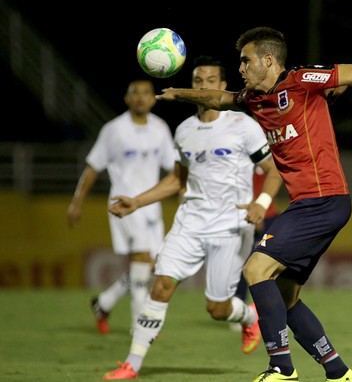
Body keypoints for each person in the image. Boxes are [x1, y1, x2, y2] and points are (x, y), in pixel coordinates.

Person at [155, 26, 352, 382]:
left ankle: (281, 368)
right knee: (285, 297)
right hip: (310, 204)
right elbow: (219, 99)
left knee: (254, 270)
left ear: (268, 60)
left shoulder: (301, 81)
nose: (241, 68)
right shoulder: (253, 99)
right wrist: (179, 94)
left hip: (323, 199)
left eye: (246, 60)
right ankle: (339, 372)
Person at [101, 55, 283, 380]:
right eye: (197, 81)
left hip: (230, 227)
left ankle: (247, 317)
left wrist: (262, 202)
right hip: (190, 222)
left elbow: (273, 171)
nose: (203, 87)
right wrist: (136, 202)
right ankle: (132, 363)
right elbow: (176, 181)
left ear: (223, 86)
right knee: (161, 286)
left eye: (210, 81)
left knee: (217, 309)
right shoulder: (184, 130)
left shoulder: (244, 127)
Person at [67, 79, 175, 335]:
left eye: (146, 93)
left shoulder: (160, 128)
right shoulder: (113, 130)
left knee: (149, 265)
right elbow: (92, 167)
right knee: (140, 257)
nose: (140, 97)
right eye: (134, 93)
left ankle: (103, 303)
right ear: (127, 99)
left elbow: (173, 169)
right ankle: (139, 324)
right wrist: (76, 202)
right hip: (122, 205)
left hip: (150, 206)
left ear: (153, 99)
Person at [230, 165, 281, 332]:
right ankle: (239, 308)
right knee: (247, 265)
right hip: (252, 215)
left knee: (274, 266)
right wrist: (256, 210)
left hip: (271, 216)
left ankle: (277, 313)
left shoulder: (270, 152)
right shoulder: (248, 152)